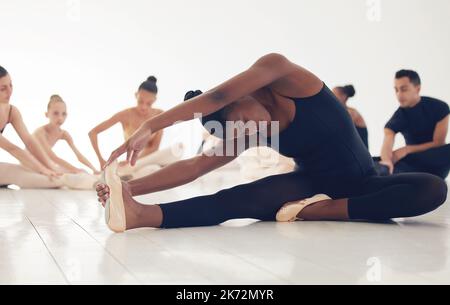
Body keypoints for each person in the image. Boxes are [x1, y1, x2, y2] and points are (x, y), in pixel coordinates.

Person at [95, 54, 446, 233]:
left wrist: (153, 124)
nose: (251, 129)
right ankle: (144, 216)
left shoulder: (279, 72)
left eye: (242, 120)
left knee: (431, 190)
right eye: (241, 130)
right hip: (309, 182)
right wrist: (127, 188)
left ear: (238, 97)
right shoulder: (249, 129)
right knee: (235, 200)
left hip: (364, 181)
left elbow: (217, 93)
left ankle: (315, 211)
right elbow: (195, 166)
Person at [0, 65, 89, 189]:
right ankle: (79, 182)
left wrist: (50, 168)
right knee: (18, 174)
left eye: (11, 85)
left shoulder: (12, 111)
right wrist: (43, 169)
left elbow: (30, 141)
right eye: (3, 88)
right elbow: (12, 148)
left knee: (31, 171)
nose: (10, 91)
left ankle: (83, 180)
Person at [88, 76, 184, 181]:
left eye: (149, 103)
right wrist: (101, 160)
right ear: (136, 95)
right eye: (140, 101)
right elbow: (92, 133)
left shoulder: (159, 114)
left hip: (147, 159)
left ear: (155, 100)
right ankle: (124, 177)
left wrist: (133, 160)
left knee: (178, 148)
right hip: (130, 165)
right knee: (154, 169)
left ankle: (121, 178)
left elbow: (154, 148)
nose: (144, 107)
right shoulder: (125, 115)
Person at [377, 70, 450, 179]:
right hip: (415, 163)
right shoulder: (399, 116)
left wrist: (407, 149)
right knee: (378, 162)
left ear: (417, 88)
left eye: (404, 89)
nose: (399, 95)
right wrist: (386, 161)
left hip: (437, 160)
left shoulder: (440, 107)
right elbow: (388, 139)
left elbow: (438, 142)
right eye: (396, 90)